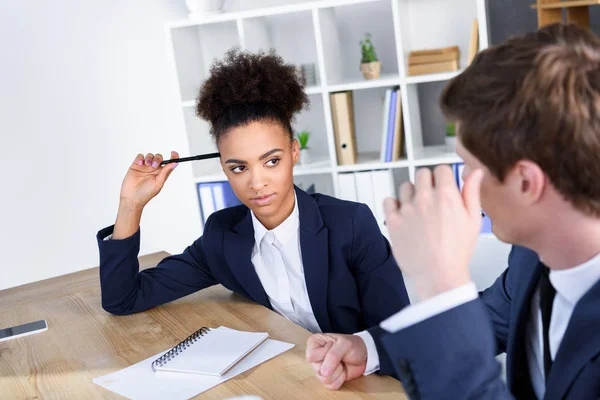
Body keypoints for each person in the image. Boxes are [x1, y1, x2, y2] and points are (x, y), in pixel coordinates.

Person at [305, 22, 600, 399]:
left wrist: (439, 281)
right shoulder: (535, 253)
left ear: (526, 182)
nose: (463, 187)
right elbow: (493, 319)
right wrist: (370, 349)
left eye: (470, 169)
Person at [96, 48, 410, 376]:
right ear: (223, 167)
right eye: (239, 167)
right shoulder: (223, 236)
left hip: (363, 383)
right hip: (287, 378)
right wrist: (131, 205)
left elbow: (402, 335)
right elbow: (124, 299)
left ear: (294, 151)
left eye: (271, 160)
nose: (257, 182)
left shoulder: (351, 225)